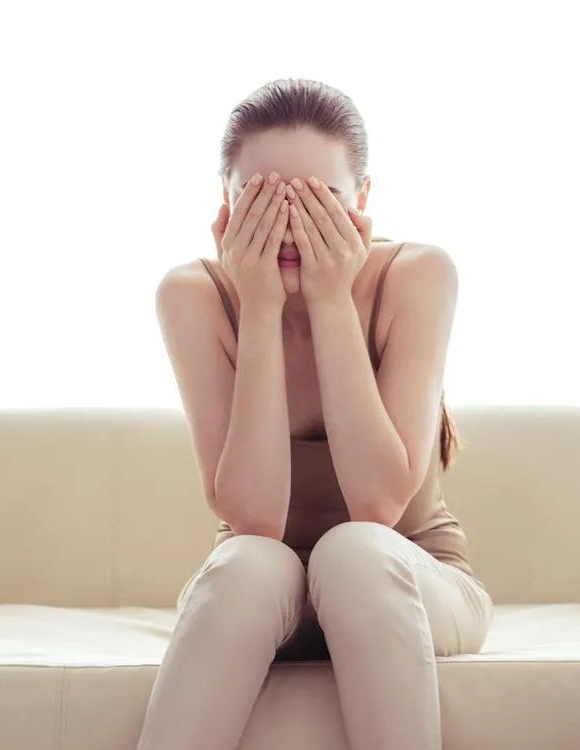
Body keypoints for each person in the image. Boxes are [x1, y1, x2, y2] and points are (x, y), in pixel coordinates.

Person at [137, 78, 493, 750]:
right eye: (263, 200)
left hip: (410, 580)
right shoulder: (194, 295)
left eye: (320, 202)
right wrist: (263, 305)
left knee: (354, 552)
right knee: (248, 562)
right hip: (261, 594)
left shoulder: (417, 274)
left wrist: (331, 302)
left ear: (362, 201)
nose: (291, 227)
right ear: (225, 206)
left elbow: (377, 505)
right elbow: (255, 519)